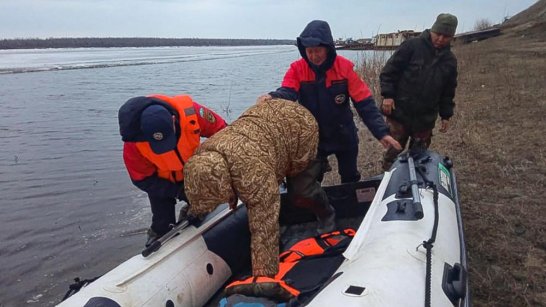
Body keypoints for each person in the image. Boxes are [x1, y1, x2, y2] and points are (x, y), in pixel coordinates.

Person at [183, 98, 332, 284]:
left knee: (300, 193)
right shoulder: (200, 159)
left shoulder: (252, 173)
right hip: (266, 129)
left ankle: (327, 213)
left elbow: (264, 222)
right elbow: (202, 189)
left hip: (299, 127)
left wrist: (263, 276)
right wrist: (194, 210)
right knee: (271, 183)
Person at [259, 20, 401, 184]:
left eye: (318, 51)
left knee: (350, 177)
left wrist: (381, 132)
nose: (313, 56)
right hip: (313, 136)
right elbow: (288, 91)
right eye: (309, 51)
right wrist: (273, 97)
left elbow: (364, 103)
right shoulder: (297, 69)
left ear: (328, 48)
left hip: (343, 133)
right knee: (310, 183)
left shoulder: (344, 68)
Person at [118, 94, 227, 246]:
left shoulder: (192, 113)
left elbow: (224, 132)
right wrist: (176, 191)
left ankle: (195, 211)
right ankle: (158, 234)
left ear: (173, 121)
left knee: (205, 203)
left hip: (193, 173)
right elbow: (142, 179)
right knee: (162, 222)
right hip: (161, 180)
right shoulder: (134, 143)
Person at [380, 13, 458, 170]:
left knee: (419, 157)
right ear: (432, 30)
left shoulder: (450, 60)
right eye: (438, 34)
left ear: (452, 37)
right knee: (392, 153)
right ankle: (386, 178)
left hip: (425, 119)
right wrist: (388, 95)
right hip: (399, 114)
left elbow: (448, 91)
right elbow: (389, 72)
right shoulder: (411, 46)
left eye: (446, 36)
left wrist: (446, 115)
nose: (441, 39)